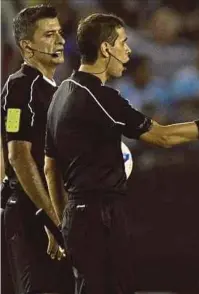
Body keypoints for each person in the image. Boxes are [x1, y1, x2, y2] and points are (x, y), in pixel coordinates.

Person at [44, 13, 199, 294]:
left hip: (77, 216)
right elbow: (164, 136)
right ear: (105, 49)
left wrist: (63, 222)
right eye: (123, 43)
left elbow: (51, 168)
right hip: (99, 218)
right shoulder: (102, 98)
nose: (128, 51)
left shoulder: (61, 93)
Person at [0, 4, 74, 294]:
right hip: (30, 215)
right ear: (27, 47)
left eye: (59, 33)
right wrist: (52, 221)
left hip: (53, 214)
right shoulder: (20, 87)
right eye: (48, 35)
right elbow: (18, 154)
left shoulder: (55, 91)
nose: (59, 40)